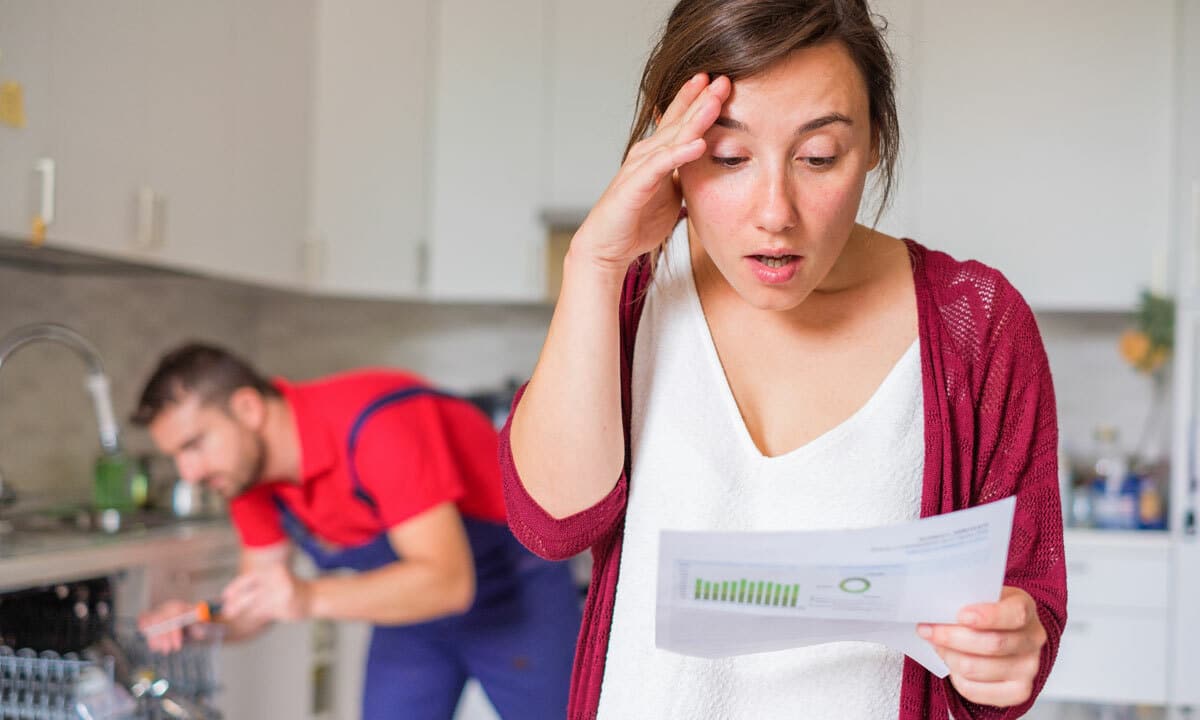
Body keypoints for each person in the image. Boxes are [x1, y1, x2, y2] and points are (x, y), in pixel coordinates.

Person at [500, 0, 1066, 718]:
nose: (776, 211)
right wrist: (595, 261)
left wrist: (1007, 653)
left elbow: (1026, 605)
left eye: (819, 157)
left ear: (876, 143)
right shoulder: (632, 293)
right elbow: (555, 523)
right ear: (670, 144)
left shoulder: (976, 324)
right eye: (729, 157)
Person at [133, 344, 579, 720]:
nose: (188, 472)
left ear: (248, 408)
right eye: (176, 456)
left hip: (514, 591)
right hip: (409, 609)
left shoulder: (376, 424)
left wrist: (308, 597)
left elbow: (448, 582)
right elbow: (260, 598)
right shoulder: (244, 476)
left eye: (194, 445)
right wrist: (205, 625)